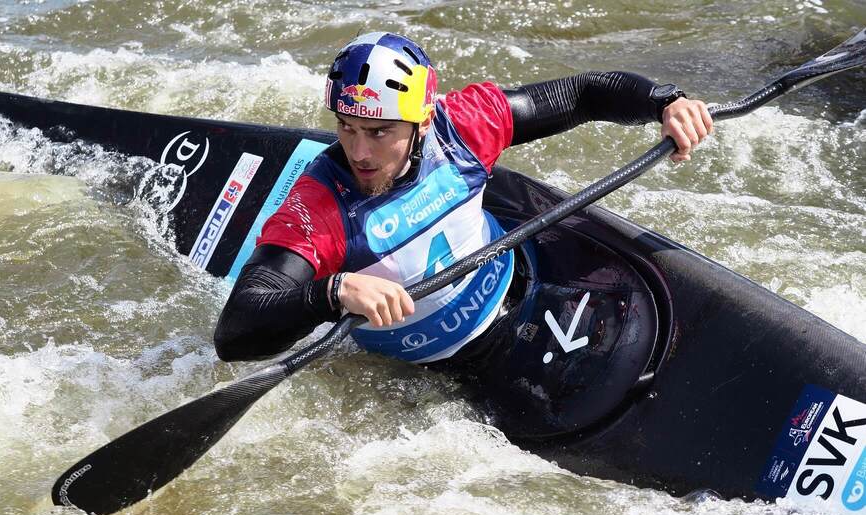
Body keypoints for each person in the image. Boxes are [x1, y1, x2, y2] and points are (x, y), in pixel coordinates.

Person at [214, 31, 713, 364]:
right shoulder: (317, 208)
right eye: (346, 129)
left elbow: (583, 93)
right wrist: (332, 292)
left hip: (527, 291)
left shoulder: (463, 126)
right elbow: (235, 330)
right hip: (436, 370)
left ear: (423, 120)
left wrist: (664, 101)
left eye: (379, 132)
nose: (359, 152)